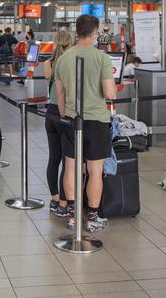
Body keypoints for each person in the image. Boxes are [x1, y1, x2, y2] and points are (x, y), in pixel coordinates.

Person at [55, 14, 117, 232]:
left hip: (72, 120)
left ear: (76, 31)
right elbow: (109, 93)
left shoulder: (63, 58)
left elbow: (60, 95)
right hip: (96, 121)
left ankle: (73, 215)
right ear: (95, 32)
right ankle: (91, 218)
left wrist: (66, 115)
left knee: (71, 168)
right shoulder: (102, 58)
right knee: (95, 171)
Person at [43, 30, 73, 215]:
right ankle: (64, 200)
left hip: (50, 113)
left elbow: (49, 79)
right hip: (65, 112)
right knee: (67, 161)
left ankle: (54, 198)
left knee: (54, 157)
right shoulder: (70, 62)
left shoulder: (49, 63)